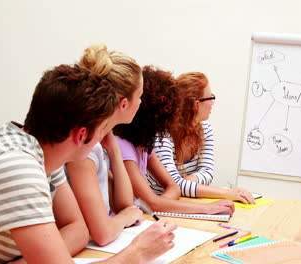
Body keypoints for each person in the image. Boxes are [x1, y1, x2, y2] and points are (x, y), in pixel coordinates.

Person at [0, 51, 176, 264]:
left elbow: (78, 229)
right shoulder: (17, 168)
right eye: (102, 129)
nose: (104, 137)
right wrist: (138, 253)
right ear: (81, 134)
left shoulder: (42, 149)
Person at [114, 66, 235, 214]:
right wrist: (207, 208)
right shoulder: (123, 147)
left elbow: (174, 188)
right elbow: (153, 202)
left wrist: (160, 203)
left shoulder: (145, 145)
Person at [65, 44, 144, 246]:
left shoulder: (101, 143)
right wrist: (123, 219)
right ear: (123, 103)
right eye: (139, 96)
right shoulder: (84, 147)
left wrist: (115, 152)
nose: (141, 103)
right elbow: (103, 233)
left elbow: (125, 205)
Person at [154, 72, 255, 204]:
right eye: (210, 97)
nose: (213, 103)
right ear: (196, 104)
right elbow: (173, 186)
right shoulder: (161, 135)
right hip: (157, 209)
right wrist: (226, 193)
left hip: (186, 202)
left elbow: (207, 172)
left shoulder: (204, 128)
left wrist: (188, 182)